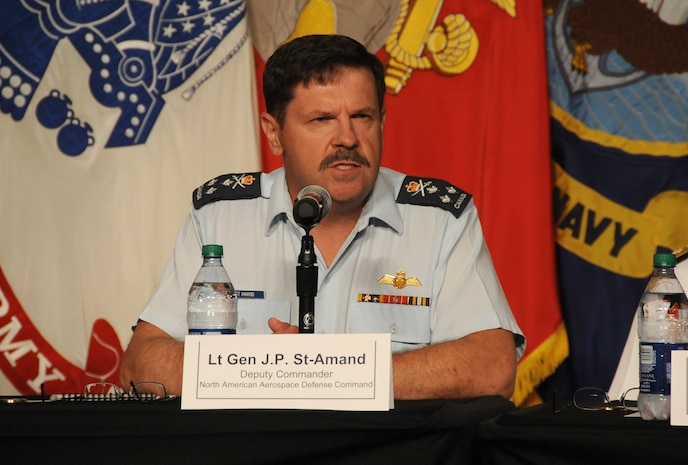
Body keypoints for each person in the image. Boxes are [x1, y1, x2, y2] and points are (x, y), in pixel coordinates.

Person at [120, 34, 526, 400]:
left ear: (382, 120)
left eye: (363, 117)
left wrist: (325, 371)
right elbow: (143, 366)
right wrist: (277, 373)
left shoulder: (439, 219)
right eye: (322, 120)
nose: (348, 138)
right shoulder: (221, 216)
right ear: (274, 132)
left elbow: (492, 368)